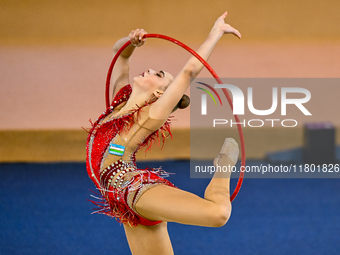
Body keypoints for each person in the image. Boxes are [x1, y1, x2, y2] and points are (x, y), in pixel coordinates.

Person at [86, 11, 241, 255]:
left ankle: (224, 165)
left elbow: (190, 71)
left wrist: (216, 32)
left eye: (159, 75)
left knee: (218, 213)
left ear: (160, 95)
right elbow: (120, 57)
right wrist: (131, 41)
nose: (149, 70)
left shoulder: (151, 115)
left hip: (133, 189)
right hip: (121, 201)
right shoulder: (120, 101)